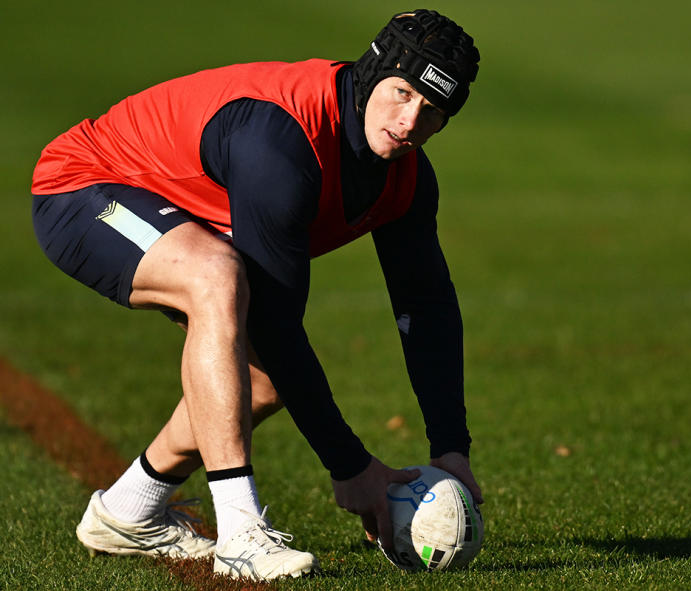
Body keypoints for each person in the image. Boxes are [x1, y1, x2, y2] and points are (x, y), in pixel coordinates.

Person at [30, 9, 482, 581]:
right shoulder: (284, 141)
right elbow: (274, 320)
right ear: (373, 71)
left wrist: (450, 448)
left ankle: (128, 511)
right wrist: (351, 467)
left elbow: (426, 304)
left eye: (433, 112)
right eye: (402, 93)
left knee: (264, 377)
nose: (409, 121)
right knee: (218, 278)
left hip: (183, 213)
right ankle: (241, 533)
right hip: (86, 185)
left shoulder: (406, 178)